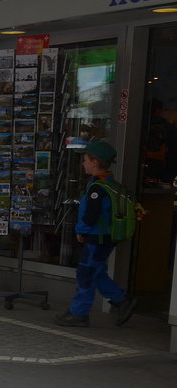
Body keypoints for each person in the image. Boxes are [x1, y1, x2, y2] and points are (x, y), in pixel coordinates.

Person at [55, 138, 137, 328]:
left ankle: (79, 313)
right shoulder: (107, 184)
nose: (83, 163)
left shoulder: (97, 189)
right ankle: (123, 300)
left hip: (95, 239)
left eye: (85, 160)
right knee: (96, 273)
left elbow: (90, 216)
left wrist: (80, 232)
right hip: (105, 239)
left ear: (95, 162)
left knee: (85, 274)